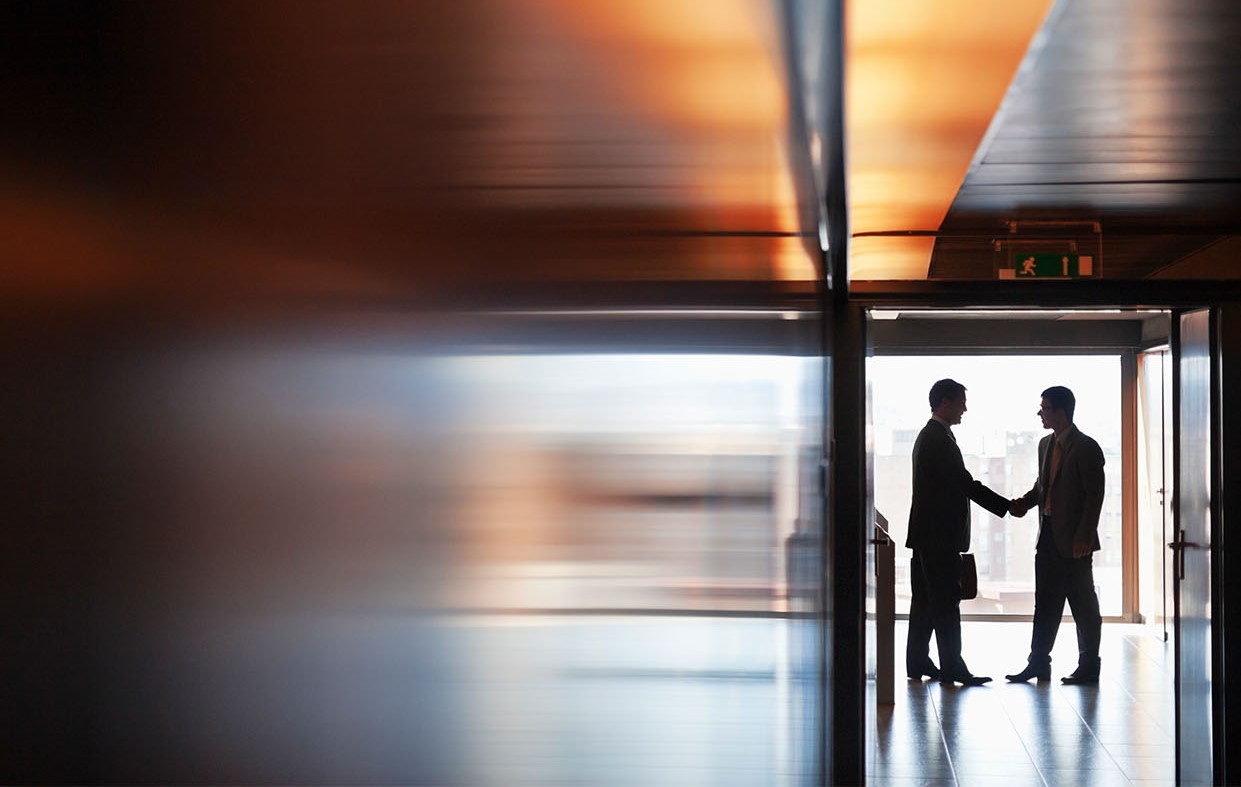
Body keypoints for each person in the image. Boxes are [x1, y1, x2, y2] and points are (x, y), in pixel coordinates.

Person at [906, 379, 1010, 686]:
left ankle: (918, 661)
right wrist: (1005, 506)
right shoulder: (937, 439)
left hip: (928, 535)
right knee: (946, 603)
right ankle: (953, 666)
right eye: (962, 401)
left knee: (925, 601)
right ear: (945, 402)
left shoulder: (932, 435)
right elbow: (964, 483)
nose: (965, 408)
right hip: (939, 538)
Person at [1005, 386, 1106, 685]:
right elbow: (1043, 486)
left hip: (1075, 541)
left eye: (1044, 408)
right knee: (1045, 604)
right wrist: (1024, 502)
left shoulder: (1087, 447)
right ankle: (1038, 663)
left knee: (1083, 605)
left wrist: (1084, 536)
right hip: (1047, 536)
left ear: (1060, 412)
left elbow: (1094, 497)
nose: (1040, 413)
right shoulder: (1044, 445)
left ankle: (1089, 665)